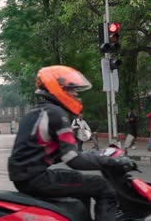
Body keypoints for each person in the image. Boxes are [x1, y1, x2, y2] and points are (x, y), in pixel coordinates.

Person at [8, 65, 136, 221]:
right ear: (58, 89)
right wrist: (110, 160)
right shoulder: (56, 113)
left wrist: (96, 154)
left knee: (82, 186)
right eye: (72, 89)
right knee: (103, 187)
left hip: (26, 178)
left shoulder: (37, 112)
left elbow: (59, 152)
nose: (76, 94)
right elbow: (73, 160)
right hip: (37, 179)